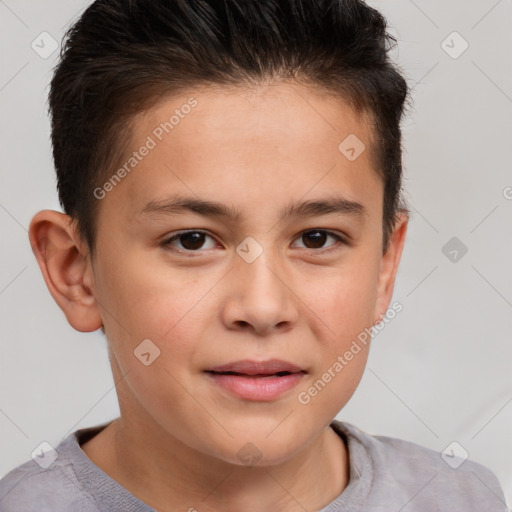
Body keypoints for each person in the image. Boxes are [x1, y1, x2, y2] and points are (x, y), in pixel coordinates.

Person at [0, 0, 508, 511]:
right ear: (75, 272)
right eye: (192, 240)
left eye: (316, 239)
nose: (263, 308)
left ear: (383, 266)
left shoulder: (463, 499)